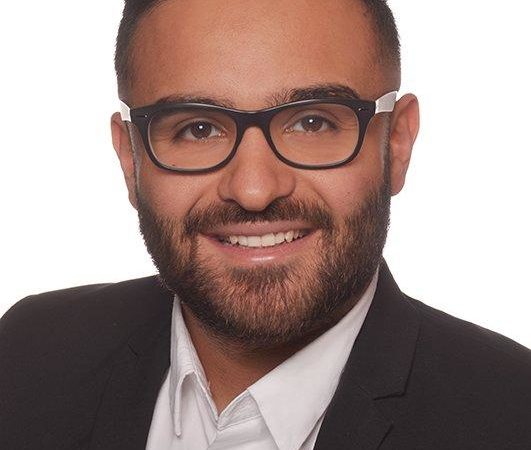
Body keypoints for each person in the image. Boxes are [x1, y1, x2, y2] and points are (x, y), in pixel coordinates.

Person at [1, 0, 530, 449]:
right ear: (129, 160)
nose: (254, 190)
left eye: (312, 122)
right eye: (198, 128)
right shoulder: (28, 352)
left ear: (397, 143)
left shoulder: (513, 415)